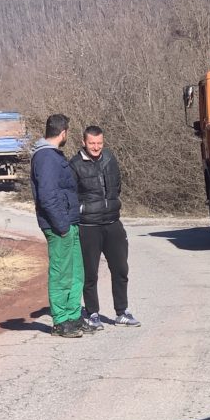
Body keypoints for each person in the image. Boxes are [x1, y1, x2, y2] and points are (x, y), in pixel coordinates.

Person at [69, 126, 140, 329]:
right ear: (84, 142)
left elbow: (118, 185)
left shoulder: (110, 158)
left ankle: (122, 312)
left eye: (99, 143)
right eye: (92, 143)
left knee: (120, 269)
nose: (96, 147)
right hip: (88, 226)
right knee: (90, 274)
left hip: (112, 223)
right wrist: (83, 211)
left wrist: (110, 204)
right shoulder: (74, 165)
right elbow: (71, 195)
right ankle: (92, 314)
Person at [30, 114, 90, 338]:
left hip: (69, 223)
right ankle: (60, 321)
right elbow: (46, 196)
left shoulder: (54, 156)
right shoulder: (46, 157)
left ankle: (73, 317)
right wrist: (62, 226)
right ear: (63, 132)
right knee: (61, 274)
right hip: (59, 226)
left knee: (76, 273)